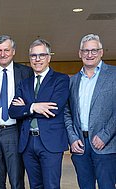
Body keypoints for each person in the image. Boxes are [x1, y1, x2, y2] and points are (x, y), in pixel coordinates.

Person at [9, 39, 69, 189]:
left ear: (49, 57)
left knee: (51, 185)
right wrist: (34, 106)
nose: (37, 59)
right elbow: (13, 111)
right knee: (35, 186)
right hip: (28, 142)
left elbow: (53, 110)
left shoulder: (61, 80)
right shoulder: (24, 83)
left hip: (51, 143)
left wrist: (26, 108)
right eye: (33, 56)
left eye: (41, 55)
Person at [0, 35, 33, 189]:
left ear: (13, 51)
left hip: (14, 131)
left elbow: (33, 99)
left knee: (16, 180)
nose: (2, 54)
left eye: (6, 50)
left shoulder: (26, 72)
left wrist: (26, 105)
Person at [64, 34, 116, 189]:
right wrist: (72, 138)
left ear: (101, 52)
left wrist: (105, 135)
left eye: (94, 50)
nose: (89, 54)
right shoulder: (73, 81)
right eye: (85, 51)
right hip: (80, 146)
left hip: (106, 145)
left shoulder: (113, 75)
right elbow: (67, 112)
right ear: (80, 53)